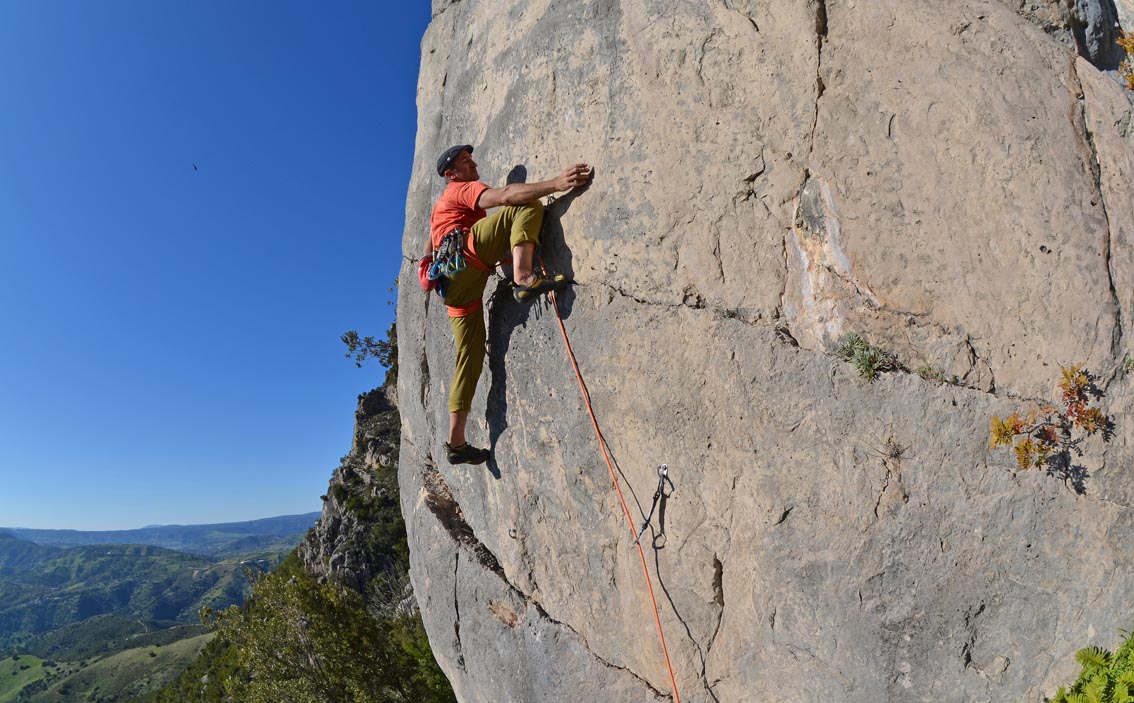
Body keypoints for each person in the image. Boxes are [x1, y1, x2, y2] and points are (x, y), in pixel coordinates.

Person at [427, 144, 591, 465]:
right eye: (465, 162)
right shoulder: (461, 190)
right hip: (465, 260)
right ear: (451, 174)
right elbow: (506, 197)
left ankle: (456, 443)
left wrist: (507, 247)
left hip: (455, 289)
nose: (473, 164)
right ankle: (525, 278)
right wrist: (557, 184)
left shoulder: (443, 208)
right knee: (527, 203)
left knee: (469, 358)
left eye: (471, 159)